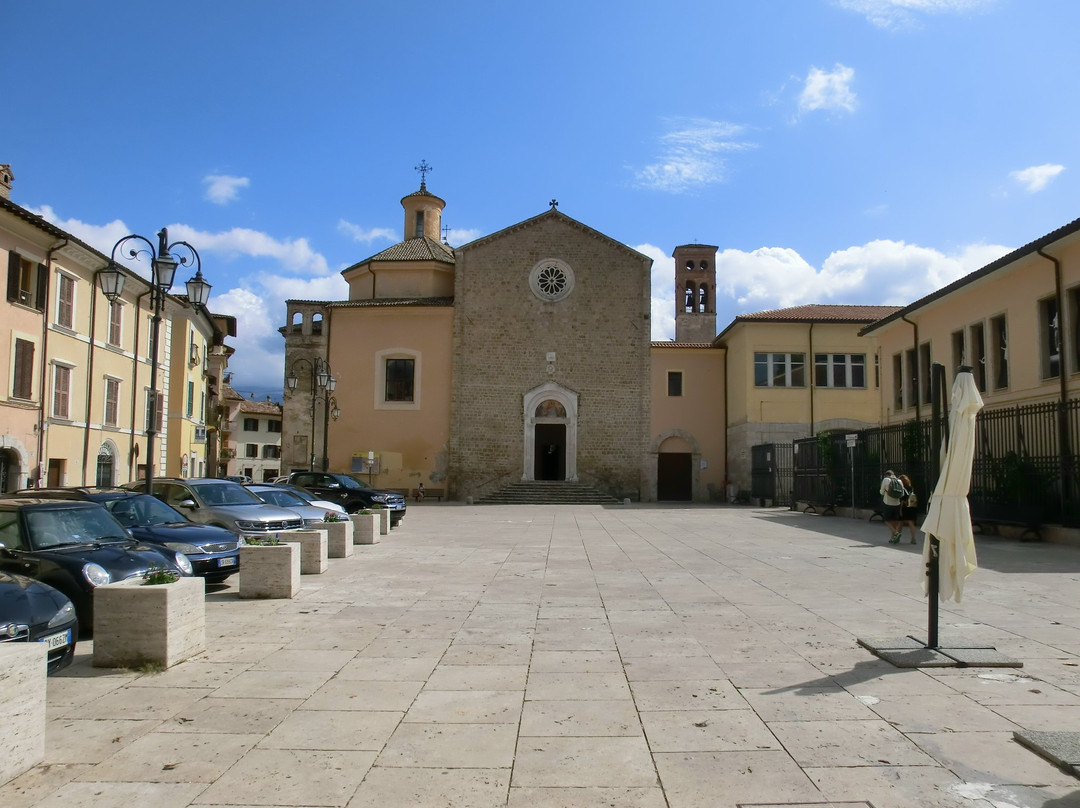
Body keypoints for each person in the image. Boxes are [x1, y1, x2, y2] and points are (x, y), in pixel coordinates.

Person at [879, 470, 904, 544]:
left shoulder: (886, 480)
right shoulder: (899, 480)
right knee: (894, 521)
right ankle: (893, 538)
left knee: (886, 520)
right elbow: (902, 493)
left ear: (886, 475)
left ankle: (896, 533)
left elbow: (881, 492)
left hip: (888, 503)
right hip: (897, 503)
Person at [898, 473, 919, 544]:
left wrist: (900, 510)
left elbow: (902, 500)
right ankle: (913, 538)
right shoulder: (911, 488)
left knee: (900, 523)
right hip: (912, 507)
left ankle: (896, 537)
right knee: (911, 522)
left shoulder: (901, 489)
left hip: (904, 507)